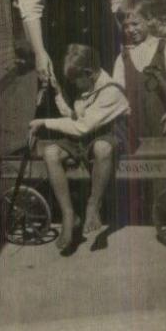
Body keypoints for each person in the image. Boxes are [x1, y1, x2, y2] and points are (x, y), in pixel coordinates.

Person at [29, 44, 130, 252]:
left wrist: (44, 122)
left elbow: (82, 127)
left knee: (102, 148)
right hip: (85, 136)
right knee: (50, 152)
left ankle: (93, 204)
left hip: (110, 134)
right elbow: (75, 117)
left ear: (88, 73)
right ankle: (69, 215)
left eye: (76, 81)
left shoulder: (111, 91)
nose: (74, 86)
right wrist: (58, 92)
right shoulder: (88, 87)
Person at [113, 0, 166, 143]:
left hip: (162, 120)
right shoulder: (123, 57)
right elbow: (117, 90)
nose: (130, 30)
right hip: (133, 122)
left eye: (135, 24)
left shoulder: (164, 50)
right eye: (126, 26)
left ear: (149, 20)